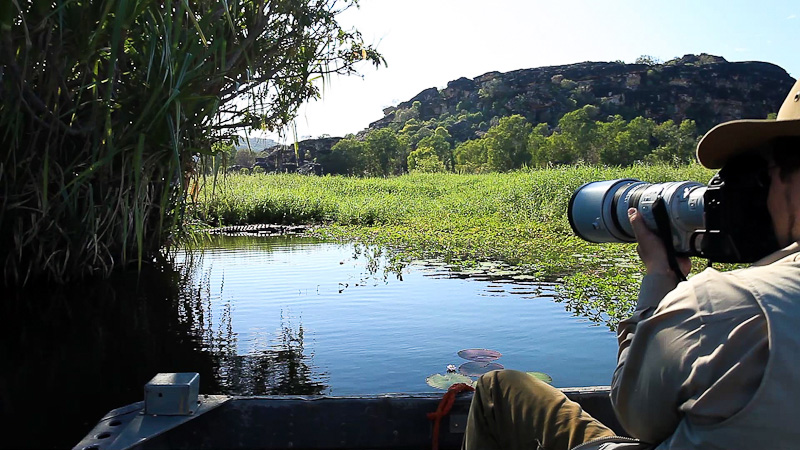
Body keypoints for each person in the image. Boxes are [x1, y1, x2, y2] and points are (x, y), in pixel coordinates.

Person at [463, 79, 800, 450]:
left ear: (791, 177)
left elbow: (636, 416)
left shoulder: (724, 304)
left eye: (763, 169)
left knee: (498, 387)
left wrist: (660, 277)